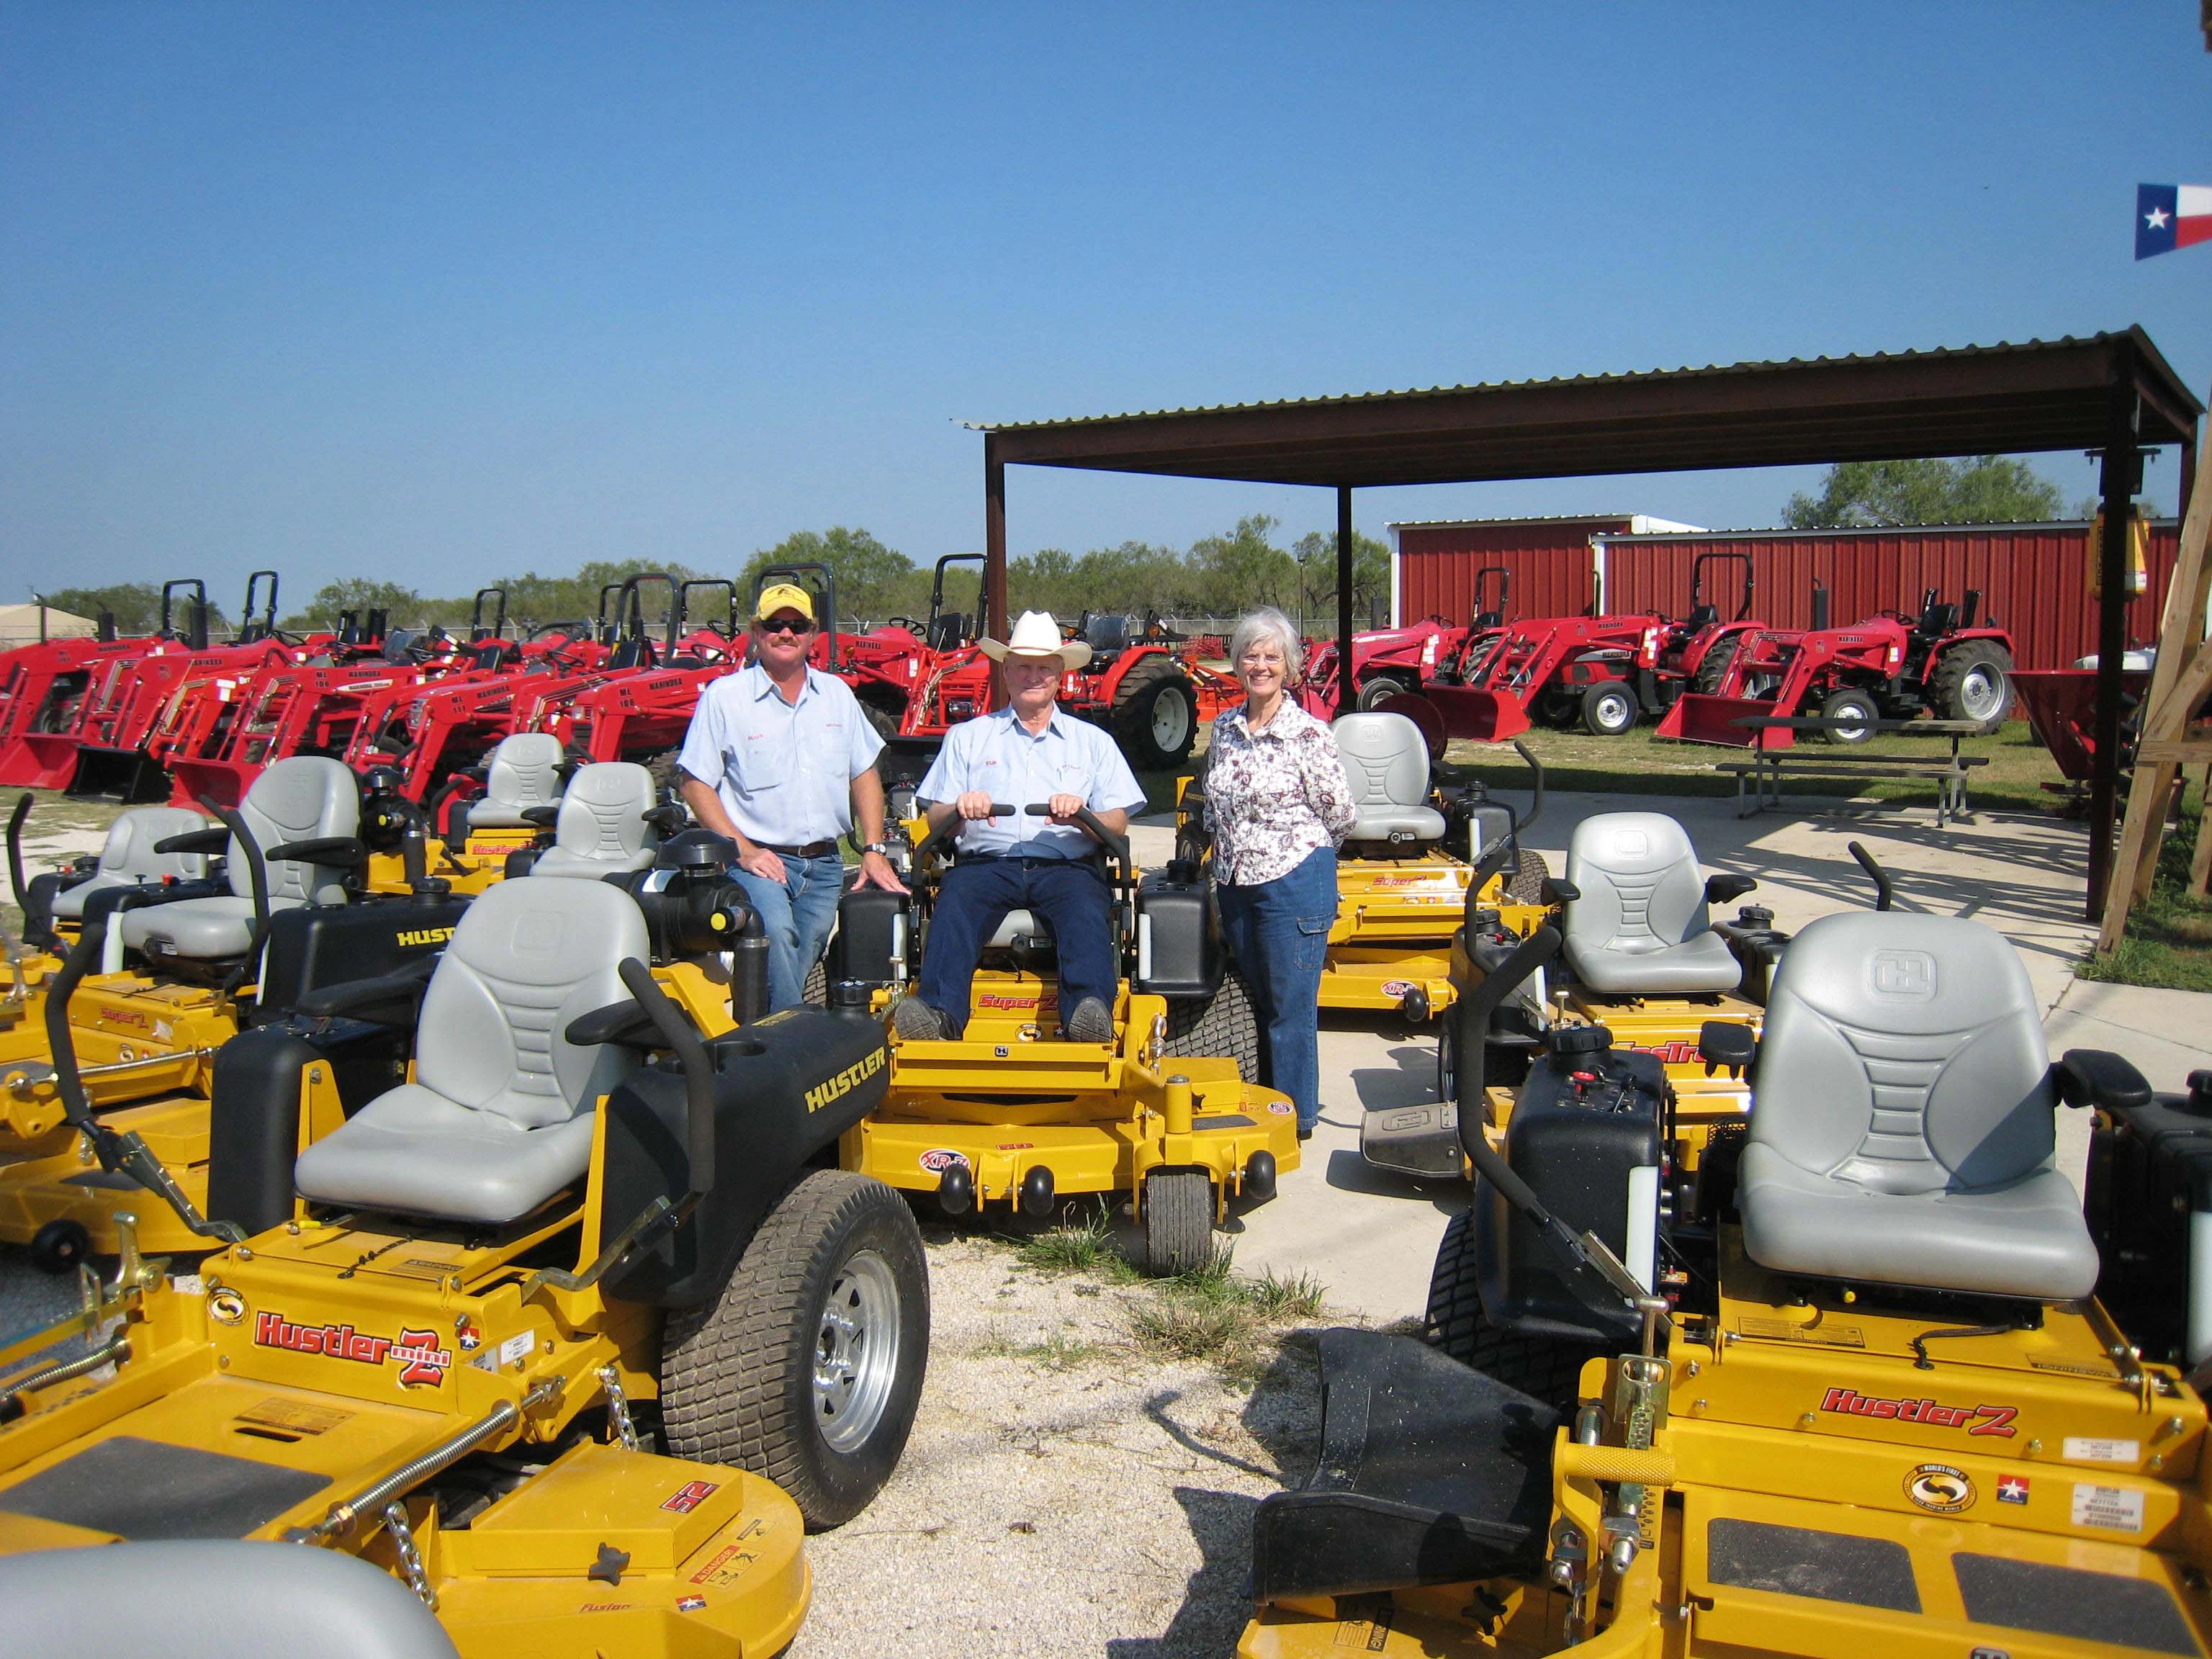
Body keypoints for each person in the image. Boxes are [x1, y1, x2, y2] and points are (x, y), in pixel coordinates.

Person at [894, 609, 1148, 1043]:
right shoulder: (968, 737)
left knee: (1087, 910)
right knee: (954, 904)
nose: (1034, 675)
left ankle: (1089, 1016)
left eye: (1044, 667)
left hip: (1067, 867)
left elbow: (1117, 822)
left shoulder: (1094, 744)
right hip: (985, 865)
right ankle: (937, 1018)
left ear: (1059, 674)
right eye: (1024, 666)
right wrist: (958, 807)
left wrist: (1084, 815)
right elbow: (934, 819)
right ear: (1006, 671)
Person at [678, 581, 906, 1011]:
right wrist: (743, 849)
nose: (786, 633)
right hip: (761, 862)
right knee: (774, 936)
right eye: (775, 624)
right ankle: (790, 1051)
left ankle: (762, 1029)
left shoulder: (836, 695)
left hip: (823, 867)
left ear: (812, 633)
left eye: (797, 625)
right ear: (756, 632)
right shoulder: (726, 698)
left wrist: (873, 848)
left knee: (800, 958)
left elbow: (864, 772)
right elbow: (694, 782)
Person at [1202, 606, 1354, 1138]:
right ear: (1237, 664)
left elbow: (1340, 813)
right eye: (1250, 655)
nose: (1260, 665)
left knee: (1290, 1008)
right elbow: (1212, 798)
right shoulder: (1223, 727)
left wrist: (1301, 852)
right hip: (1235, 882)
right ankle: (1262, 1101)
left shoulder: (1309, 734)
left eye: (1271, 656)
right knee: (1256, 999)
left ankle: (1294, 1118)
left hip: (1292, 881)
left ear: (1288, 666)